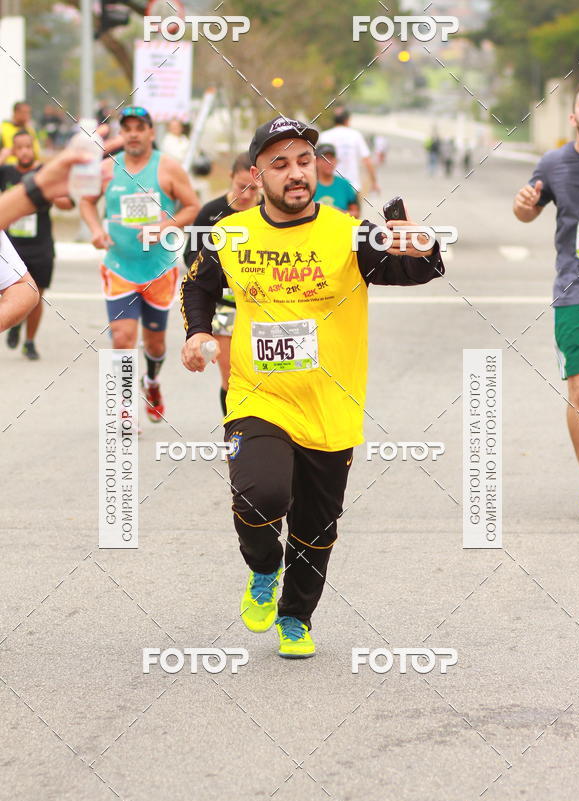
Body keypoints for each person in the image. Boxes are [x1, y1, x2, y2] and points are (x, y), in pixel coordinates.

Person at [180, 116, 443, 659]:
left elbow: (416, 271)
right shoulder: (230, 233)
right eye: (280, 164)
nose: (296, 173)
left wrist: (422, 246)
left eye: (304, 161)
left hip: (331, 406)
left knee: (315, 529)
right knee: (260, 494)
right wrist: (197, 332)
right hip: (259, 396)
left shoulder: (350, 234)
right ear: (258, 175)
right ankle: (262, 567)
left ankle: (295, 618)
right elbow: (197, 284)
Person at [514, 77, 579, 523]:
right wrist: (524, 203)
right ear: (573, 116)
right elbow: (526, 211)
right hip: (577, 292)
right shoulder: (554, 163)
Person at [79, 106, 198, 423]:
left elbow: (192, 207)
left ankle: (153, 381)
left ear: (150, 132)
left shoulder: (168, 168)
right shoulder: (107, 169)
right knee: (122, 338)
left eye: (139, 128)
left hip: (159, 269)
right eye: (127, 128)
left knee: (155, 344)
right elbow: (86, 201)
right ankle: (124, 407)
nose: (133, 134)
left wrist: (164, 227)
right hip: (119, 266)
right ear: (121, 134)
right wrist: (95, 229)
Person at [183, 152, 260, 414]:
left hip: (263, 303)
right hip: (225, 304)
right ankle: (233, 432)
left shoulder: (268, 212)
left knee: (264, 375)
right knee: (231, 376)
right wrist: (219, 271)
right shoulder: (211, 212)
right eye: (241, 187)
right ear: (230, 178)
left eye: (253, 189)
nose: (246, 195)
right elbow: (190, 256)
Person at [1, 131, 73, 359]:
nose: (24, 151)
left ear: (34, 147)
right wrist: (3, 155)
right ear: (14, 150)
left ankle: (29, 341)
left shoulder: (43, 173)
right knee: (13, 293)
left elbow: (66, 203)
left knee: (35, 295)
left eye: (28, 146)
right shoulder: (6, 172)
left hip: (40, 246)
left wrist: (53, 196)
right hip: (12, 245)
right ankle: (15, 324)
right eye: (19, 147)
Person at [319, 106, 379, 197]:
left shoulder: (324, 136)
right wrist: (374, 182)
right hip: (352, 187)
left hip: (329, 187)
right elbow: (367, 161)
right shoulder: (355, 135)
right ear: (347, 120)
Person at [0, 230, 39, 333]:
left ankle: (29, 340)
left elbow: (25, 287)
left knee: (40, 290)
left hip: (37, 246)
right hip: (17, 242)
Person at [313, 144, 359, 216]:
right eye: (324, 159)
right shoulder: (310, 185)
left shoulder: (345, 184)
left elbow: (356, 214)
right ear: (316, 161)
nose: (329, 162)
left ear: (336, 160)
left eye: (331, 158)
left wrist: (338, 213)